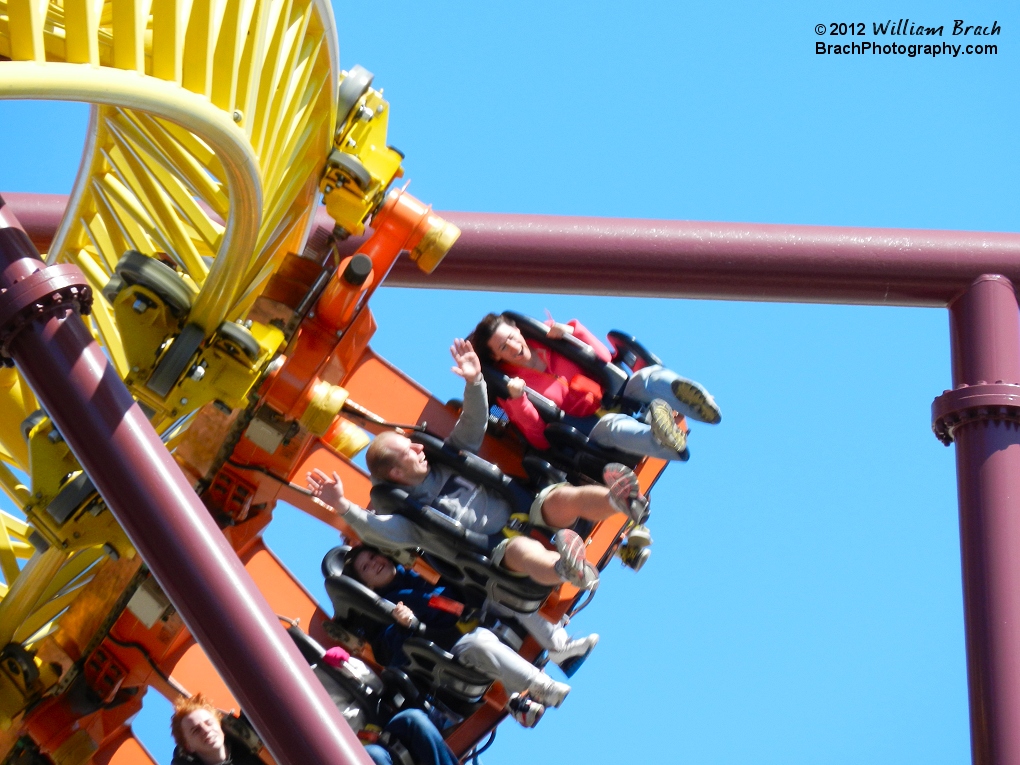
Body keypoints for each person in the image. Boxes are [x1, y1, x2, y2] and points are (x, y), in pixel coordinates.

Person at [307, 338, 650, 591]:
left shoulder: (449, 459)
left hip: (519, 506)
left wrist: (474, 381)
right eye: (408, 451)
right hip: (493, 543)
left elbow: (472, 422)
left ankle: (618, 500)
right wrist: (341, 505)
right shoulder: (409, 516)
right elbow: (377, 530)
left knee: (560, 499)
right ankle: (567, 568)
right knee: (523, 552)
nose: (417, 447)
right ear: (396, 473)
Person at [344, 545, 574, 723]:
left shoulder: (417, 563)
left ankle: (560, 647)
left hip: (474, 609)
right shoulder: (385, 608)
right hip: (454, 640)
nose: (374, 564)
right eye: (366, 567)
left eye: (373, 557)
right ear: (368, 585)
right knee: (480, 643)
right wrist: (404, 624)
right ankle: (542, 687)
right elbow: (388, 652)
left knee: (507, 592)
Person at [470, 313, 722, 461]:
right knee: (616, 428)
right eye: (504, 347)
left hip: (613, 393)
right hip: (586, 423)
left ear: (518, 330)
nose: (514, 347)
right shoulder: (510, 389)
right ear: (496, 358)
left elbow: (603, 358)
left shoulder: (551, 340)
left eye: (512, 338)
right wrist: (518, 400)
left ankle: (698, 403)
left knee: (648, 378)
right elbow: (538, 438)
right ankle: (665, 440)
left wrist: (573, 333)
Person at [170, 692, 459, 765]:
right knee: (376, 758)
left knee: (413, 720)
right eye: (195, 731)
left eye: (207, 722)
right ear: (188, 747)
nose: (205, 730)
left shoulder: (247, 732)